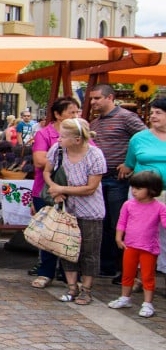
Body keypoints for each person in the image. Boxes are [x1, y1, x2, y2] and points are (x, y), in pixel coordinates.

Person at [87, 84, 147, 281]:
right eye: (92, 99)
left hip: (117, 179)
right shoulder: (95, 123)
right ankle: (106, 266)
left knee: (118, 224)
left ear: (110, 97)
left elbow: (145, 140)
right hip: (99, 180)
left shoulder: (127, 118)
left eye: (97, 98)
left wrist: (130, 164)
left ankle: (125, 269)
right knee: (101, 224)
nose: (93, 102)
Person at [43, 117, 106, 305]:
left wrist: (62, 190)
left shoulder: (95, 155)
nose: (58, 139)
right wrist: (54, 188)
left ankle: (86, 289)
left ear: (77, 139)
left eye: (63, 136)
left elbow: (90, 188)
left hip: (90, 211)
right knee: (67, 248)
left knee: (89, 251)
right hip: (67, 209)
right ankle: (72, 287)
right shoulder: (58, 150)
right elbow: (47, 171)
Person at [30, 96, 82, 288]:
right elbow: (39, 160)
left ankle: (68, 272)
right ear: (58, 115)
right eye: (71, 112)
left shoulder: (81, 133)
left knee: (72, 233)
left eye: (78, 112)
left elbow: (91, 156)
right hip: (47, 189)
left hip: (75, 191)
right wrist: (73, 158)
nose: (76, 116)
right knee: (49, 232)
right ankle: (46, 271)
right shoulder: (45, 134)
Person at [108, 171, 166, 318]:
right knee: (127, 273)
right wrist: (118, 237)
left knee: (147, 276)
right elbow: (122, 222)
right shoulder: (128, 204)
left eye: (139, 188)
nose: (134, 191)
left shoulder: (159, 207)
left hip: (149, 248)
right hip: (130, 245)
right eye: (133, 187)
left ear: (152, 190)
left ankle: (148, 303)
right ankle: (125, 298)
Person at [123, 97, 166, 275]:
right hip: (143, 195)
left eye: (159, 113)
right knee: (141, 234)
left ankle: (162, 271)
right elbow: (129, 165)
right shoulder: (138, 138)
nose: (153, 116)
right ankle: (140, 274)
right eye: (152, 112)